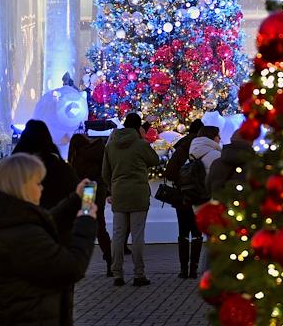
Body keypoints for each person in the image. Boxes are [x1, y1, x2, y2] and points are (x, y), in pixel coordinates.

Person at [0, 154, 97, 326]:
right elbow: (71, 268)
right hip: (25, 317)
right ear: (21, 186)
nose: (42, 188)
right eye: (37, 183)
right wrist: (86, 221)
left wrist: (75, 200)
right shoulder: (18, 234)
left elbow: (41, 225)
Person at [102, 113, 160, 287]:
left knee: (118, 235)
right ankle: (138, 274)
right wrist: (143, 138)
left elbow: (105, 172)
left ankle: (117, 274)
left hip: (119, 193)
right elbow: (155, 160)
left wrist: (112, 187)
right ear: (138, 127)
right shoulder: (140, 144)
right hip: (138, 193)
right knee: (137, 235)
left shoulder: (111, 145)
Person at [13, 120, 78, 237]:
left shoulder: (15, 166)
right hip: (58, 228)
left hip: (23, 230)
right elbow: (77, 195)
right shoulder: (60, 167)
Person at [67, 133, 112, 277]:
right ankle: (110, 258)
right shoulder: (98, 150)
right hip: (100, 188)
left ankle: (82, 259)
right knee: (101, 225)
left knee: (86, 222)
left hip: (88, 190)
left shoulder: (80, 157)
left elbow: (76, 176)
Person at [164, 119, 202, 278]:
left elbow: (169, 172)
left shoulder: (181, 147)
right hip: (199, 196)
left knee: (183, 231)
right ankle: (194, 269)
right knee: (197, 233)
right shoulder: (203, 148)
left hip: (182, 195)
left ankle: (183, 269)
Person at [207, 129, 257, 198]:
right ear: (251, 142)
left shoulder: (217, 163)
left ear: (231, 139)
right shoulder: (255, 165)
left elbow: (208, 187)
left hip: (220, 202)